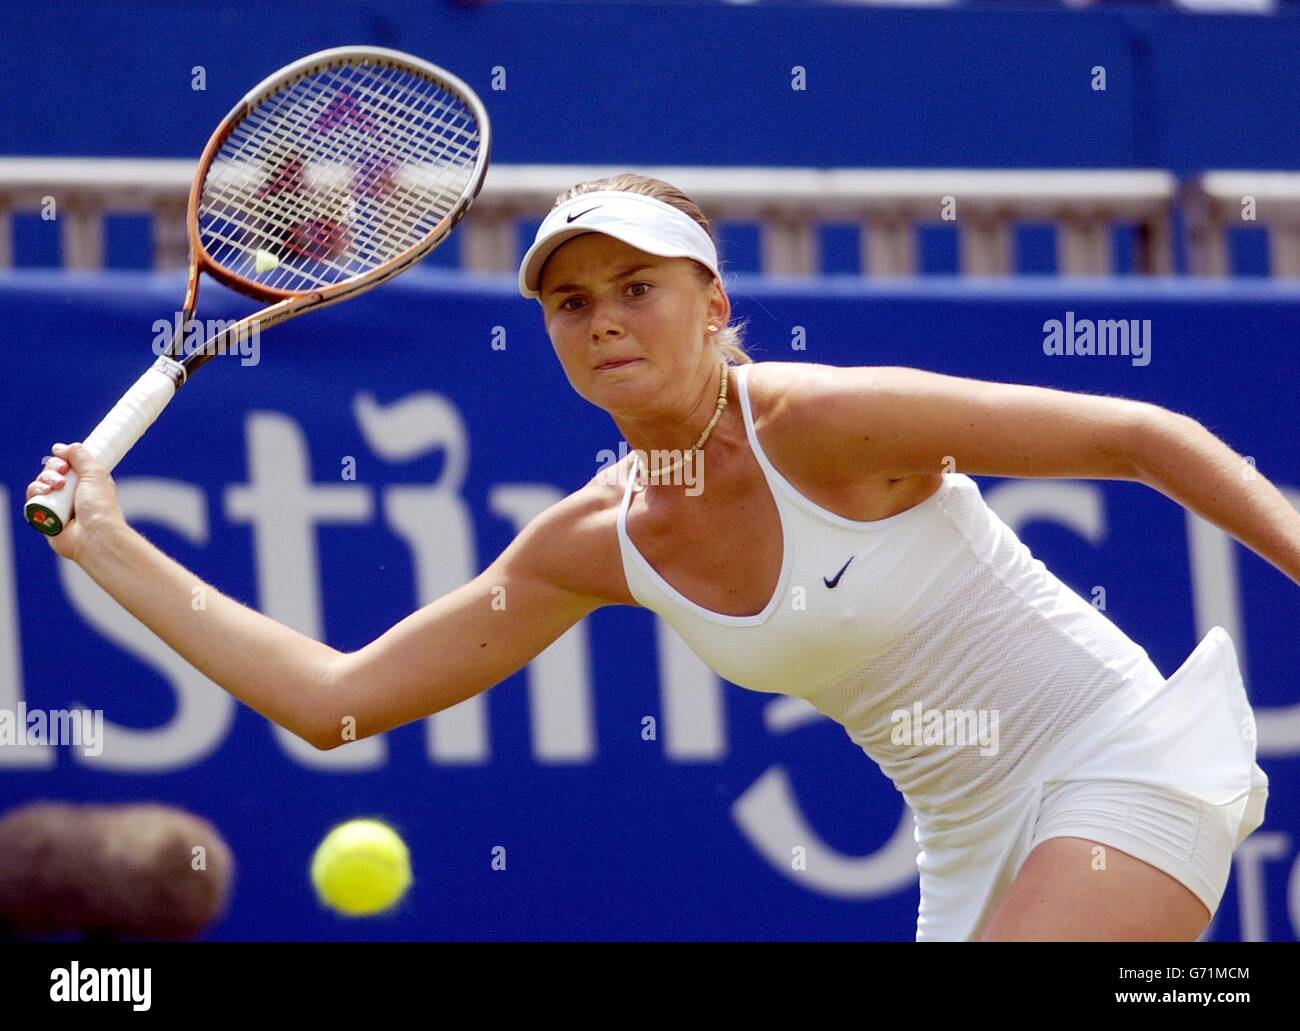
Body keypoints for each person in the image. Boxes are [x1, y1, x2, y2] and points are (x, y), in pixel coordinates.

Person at [29, 173, 1290, 941]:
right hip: (966, 840)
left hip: (1121, 761)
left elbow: (1140, 434)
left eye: (638, 286)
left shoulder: (822, 419)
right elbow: (336, 700)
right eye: (571, 304)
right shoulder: (596, 539)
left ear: (715, 306)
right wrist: (110, 540)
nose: (603, 320)